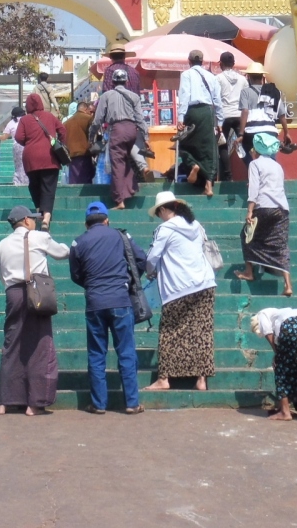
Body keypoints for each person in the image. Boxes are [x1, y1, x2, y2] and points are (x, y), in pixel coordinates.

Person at [68, 201, 147, 414]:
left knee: (96, 354)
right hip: (120, 300)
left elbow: (75, 274)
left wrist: (92, 285)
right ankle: (132, 403)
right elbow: (141, 260)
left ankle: (98, 404)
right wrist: (127, 281)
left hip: (95, 303)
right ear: (107, 220)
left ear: (86, 224)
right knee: (126, 352)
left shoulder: (78, 242)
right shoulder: (121, 236)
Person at [0, 205, 70, 415]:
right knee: (40, 344)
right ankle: (35, 403)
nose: (35, 222)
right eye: (33, 219)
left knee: (12, 344)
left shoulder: (2, 244)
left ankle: (5, 402)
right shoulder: (38, 236)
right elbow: (63, 253)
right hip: (37, 293)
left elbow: (2, 275)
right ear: (27, 220)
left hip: (13, 293)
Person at [142, 192, 217, 392]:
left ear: (163, 209)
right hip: (204, 283)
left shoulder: (164, 229)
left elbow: (152, 258)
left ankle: (164, 379)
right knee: (202, 331)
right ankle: (201, 380)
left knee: (168, 331)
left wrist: (150, 272)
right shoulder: (196, 225)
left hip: (178, 287)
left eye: (158, 213)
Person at [238, 133, 293, 295]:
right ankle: (288, 285)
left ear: (257, 150)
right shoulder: (277, 166)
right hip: (281, 209)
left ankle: (249, 271)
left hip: (263, 206)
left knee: (246, 235)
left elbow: (254, 188)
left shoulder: (255, 164)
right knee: (280, 244)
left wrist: (250, 210)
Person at [91, 69, 148, 209]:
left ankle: (119, 200)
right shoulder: (134, 96)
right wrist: (146, 137)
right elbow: (140, 119)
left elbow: (98, 119)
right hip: (132, 130)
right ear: (126, 81)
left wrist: (91, 135)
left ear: (112, 82)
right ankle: (130, 189)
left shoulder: (106, 96)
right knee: (125, 161)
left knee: (117, 164)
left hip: (117, 130)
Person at [252, 306, 297, 420]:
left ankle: (285, 412)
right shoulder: (283, 313)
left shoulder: (262, 314)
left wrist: (277, 353)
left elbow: (268, 332)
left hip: (291, 327)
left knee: (281, 369)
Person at [14, 93, 66, 231]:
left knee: (34, 185)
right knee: (49, 187)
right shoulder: (50, 116)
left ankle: (39, 211)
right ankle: (46, 218)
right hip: (50, 157)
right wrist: (59, 142)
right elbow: (62, 130)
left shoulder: (24, 120)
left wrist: (29, 143)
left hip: (31, 158)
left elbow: (18, 137)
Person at [176, 51, 223, 197]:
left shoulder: (186, 75)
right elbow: (217, 100)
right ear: (202, 61)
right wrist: (220, 120)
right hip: (208, 112)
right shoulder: (211, 76)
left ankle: (193, 165)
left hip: (192, 112)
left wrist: (180, 117)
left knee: (185, 144)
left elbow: (184, 95)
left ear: (189, 61)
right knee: (209, 149)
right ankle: (208, 186)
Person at [238, 62, 294, 153]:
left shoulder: (245, 92)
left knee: (245, 152)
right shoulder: (274, 92)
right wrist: (286, 133)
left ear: (249, 77)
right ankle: (278, 146)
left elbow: (245, 111)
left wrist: (241, 134)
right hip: (270, 130)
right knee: (269, 154)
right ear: (262, 77)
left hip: (252, 130)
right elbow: (282, 115)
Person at [216, 51, 247, 181]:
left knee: (222, 145)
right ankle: (250, 169)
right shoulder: (243, 79)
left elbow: (216, 99)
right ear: (233, 64)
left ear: (221, 64)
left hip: (224, 115)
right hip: (239, 115)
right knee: (244, 144)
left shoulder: (218, 78)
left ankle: (228, 175)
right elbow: (246, 99)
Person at [63, 99, 96, 184]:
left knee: (74, 183)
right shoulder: (89, 119)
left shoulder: (66, 123)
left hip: (72, 157)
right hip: (84, 155)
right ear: (85, 109)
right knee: (85, 184)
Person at [0, 106, 28, 185]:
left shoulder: (11, 123)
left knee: (19, 165)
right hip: (28, 145)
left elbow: (4, 137)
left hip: (17, 146)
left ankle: (18, 181)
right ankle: (28, 181)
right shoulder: (28, 120)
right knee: (28, 164)